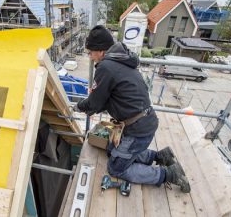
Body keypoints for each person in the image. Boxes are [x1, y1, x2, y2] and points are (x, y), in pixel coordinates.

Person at [73, 25, 190, 193]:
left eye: (90, 52)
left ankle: (168, 174)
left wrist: (79, 106)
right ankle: (160, 156)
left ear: (100, 51)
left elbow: (95, 104)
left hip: (137, 130)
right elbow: (111, 97)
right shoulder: (120, 61)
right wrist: (98, 97)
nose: (90, 57)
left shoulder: (106, 67)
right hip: (143, 122)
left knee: (116, 168)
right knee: (112, 150)